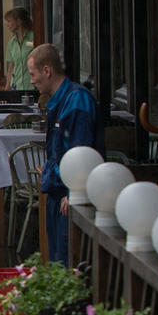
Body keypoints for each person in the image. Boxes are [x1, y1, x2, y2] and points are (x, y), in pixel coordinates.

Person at [27, 44, 102, 264]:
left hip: (69, 197)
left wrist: (74, 189)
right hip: (56, 191)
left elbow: (81, 149)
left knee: (68, 262)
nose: (31, 81)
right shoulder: (62, 100)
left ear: (47, 71)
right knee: (57, 259)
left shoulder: (77, 100)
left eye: (33, 74)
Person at [4, 7, 35, 91]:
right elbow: (11, 66)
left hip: (32, 86)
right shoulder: (11, 43)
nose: (7, 24)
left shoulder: (34, 38)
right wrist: (7, 88)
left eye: (9, 21)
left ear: (19, 21)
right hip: (16, 87)